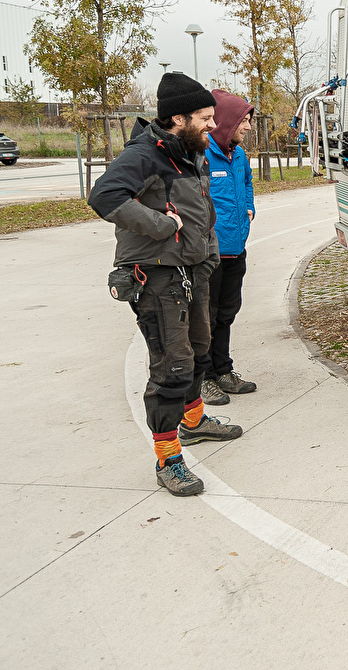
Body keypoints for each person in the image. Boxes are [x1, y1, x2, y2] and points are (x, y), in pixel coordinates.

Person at [88, 72, 243, 497]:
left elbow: (202, 210)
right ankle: (168, 459)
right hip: (157, 278)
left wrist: (208, 256)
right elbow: (104, 196)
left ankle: (193, 423)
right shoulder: (145, 155)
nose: (214, 125)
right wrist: (161, 225)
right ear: (178, 117)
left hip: (192, 272)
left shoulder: (188, 152)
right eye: (206, 117)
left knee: (196, 352)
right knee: (171, 366)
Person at [196, 89, 256, 406]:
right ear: (226, 122)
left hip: (236, 251)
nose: (247, 127)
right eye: (243, 121)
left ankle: (223, 371)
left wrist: (250, 209)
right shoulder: (202, 155)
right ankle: (203, 378)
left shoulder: (240, 155)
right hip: (210, 255)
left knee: (226, 315)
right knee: (205, 317)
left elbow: (247, 184)